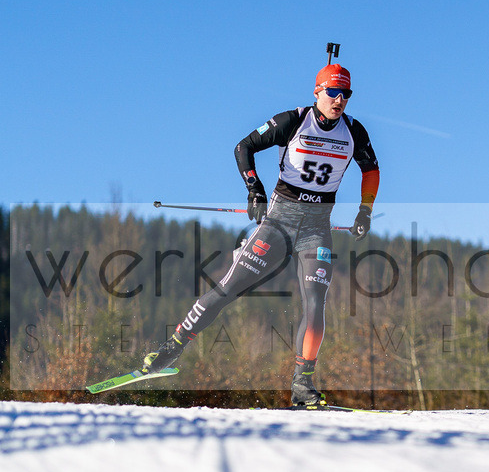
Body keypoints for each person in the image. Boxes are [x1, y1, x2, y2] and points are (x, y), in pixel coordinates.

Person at [141, 63, 380, 409]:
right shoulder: (293, 121)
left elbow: (371, 169)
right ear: (317, 92)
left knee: (315, 304)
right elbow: (243, 147)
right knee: (227, 289)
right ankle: (171, 349)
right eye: (332, 92)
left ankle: (303, 385)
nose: (338, 99)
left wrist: (365, 211)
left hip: (316, 228)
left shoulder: (354, 131)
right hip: (279, 222)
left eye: (345, 94)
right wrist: (254, 190)